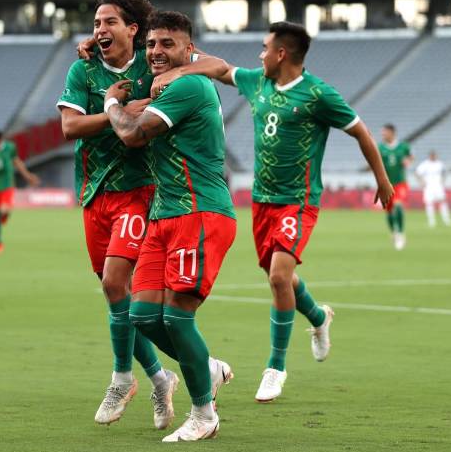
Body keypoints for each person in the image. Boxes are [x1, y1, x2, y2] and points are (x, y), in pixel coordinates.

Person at [150, 21, 393, 403]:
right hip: (263, 200)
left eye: (265, 48)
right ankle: (318, 317)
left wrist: (382, 179)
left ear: (281, 53)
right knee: (281, 276)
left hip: (299, 200)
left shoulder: (318, 94)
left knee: (279, 276)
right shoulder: (257, 82)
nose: (260, 54)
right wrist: (181, 67)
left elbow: (360, 131)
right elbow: (218, 67)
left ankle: (275, 368)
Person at [104, 10, 237, 442]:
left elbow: (132, 134)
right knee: (143, 315)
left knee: (178, 318)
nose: (156, 52)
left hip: (198, 213)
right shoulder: (174, 79)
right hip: (164, 216)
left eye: (167, 44)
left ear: (188, 49)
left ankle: (204, 415)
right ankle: (208, 368)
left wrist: (111, 105)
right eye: (151, 44)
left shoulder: (189, 85)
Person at [56, 0, 177, 430]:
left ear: (133, 28)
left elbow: (196, 57)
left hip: (140, 189)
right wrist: (118, 112)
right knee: (117, 295)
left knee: (114, 282)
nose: (99, 30)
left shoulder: (153, 61)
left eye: (109, 22)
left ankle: (122, 378)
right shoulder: (83, 69)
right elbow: (69, 126)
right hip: (95, 192)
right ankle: (160, 379)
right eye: (95, 24)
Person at [378, 124, 413, 250]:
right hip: (386, 185)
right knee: (389, 211)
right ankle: (394, 232)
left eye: (385, 133)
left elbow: (410, 157)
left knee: (398, 205)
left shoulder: (403, 146)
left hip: (400, 183)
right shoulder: (380, 147)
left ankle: (401, 233)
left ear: (392, 133)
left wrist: (408, 161)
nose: (383, 135)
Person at [415, 151, 451, 227]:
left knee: (442, 201)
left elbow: (445, 173)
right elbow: (417, 173)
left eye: (435, 155)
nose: (434, 157)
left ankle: (446, 220)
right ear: (430, 156)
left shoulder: (439, 164)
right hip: (428, 186)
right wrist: (421, 182)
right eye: (432, 155)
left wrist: (443, 180)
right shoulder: (425, 164)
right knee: (429, 203)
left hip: (438, 186)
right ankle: (431, 221)